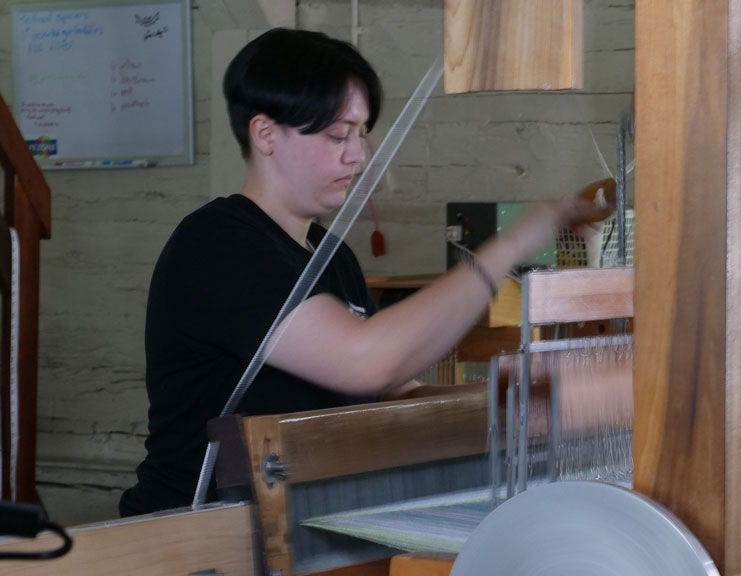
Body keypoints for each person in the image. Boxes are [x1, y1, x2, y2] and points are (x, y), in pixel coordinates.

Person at [119, 28, 601, 517]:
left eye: (360, 134)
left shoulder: (332, 255)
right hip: (198, 538)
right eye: (337, 135)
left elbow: (394, 392)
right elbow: (368, 360)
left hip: (300, 529)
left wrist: (516, 403)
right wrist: (519, 239)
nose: (357, 154)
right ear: (265, 134)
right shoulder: (218, 244)